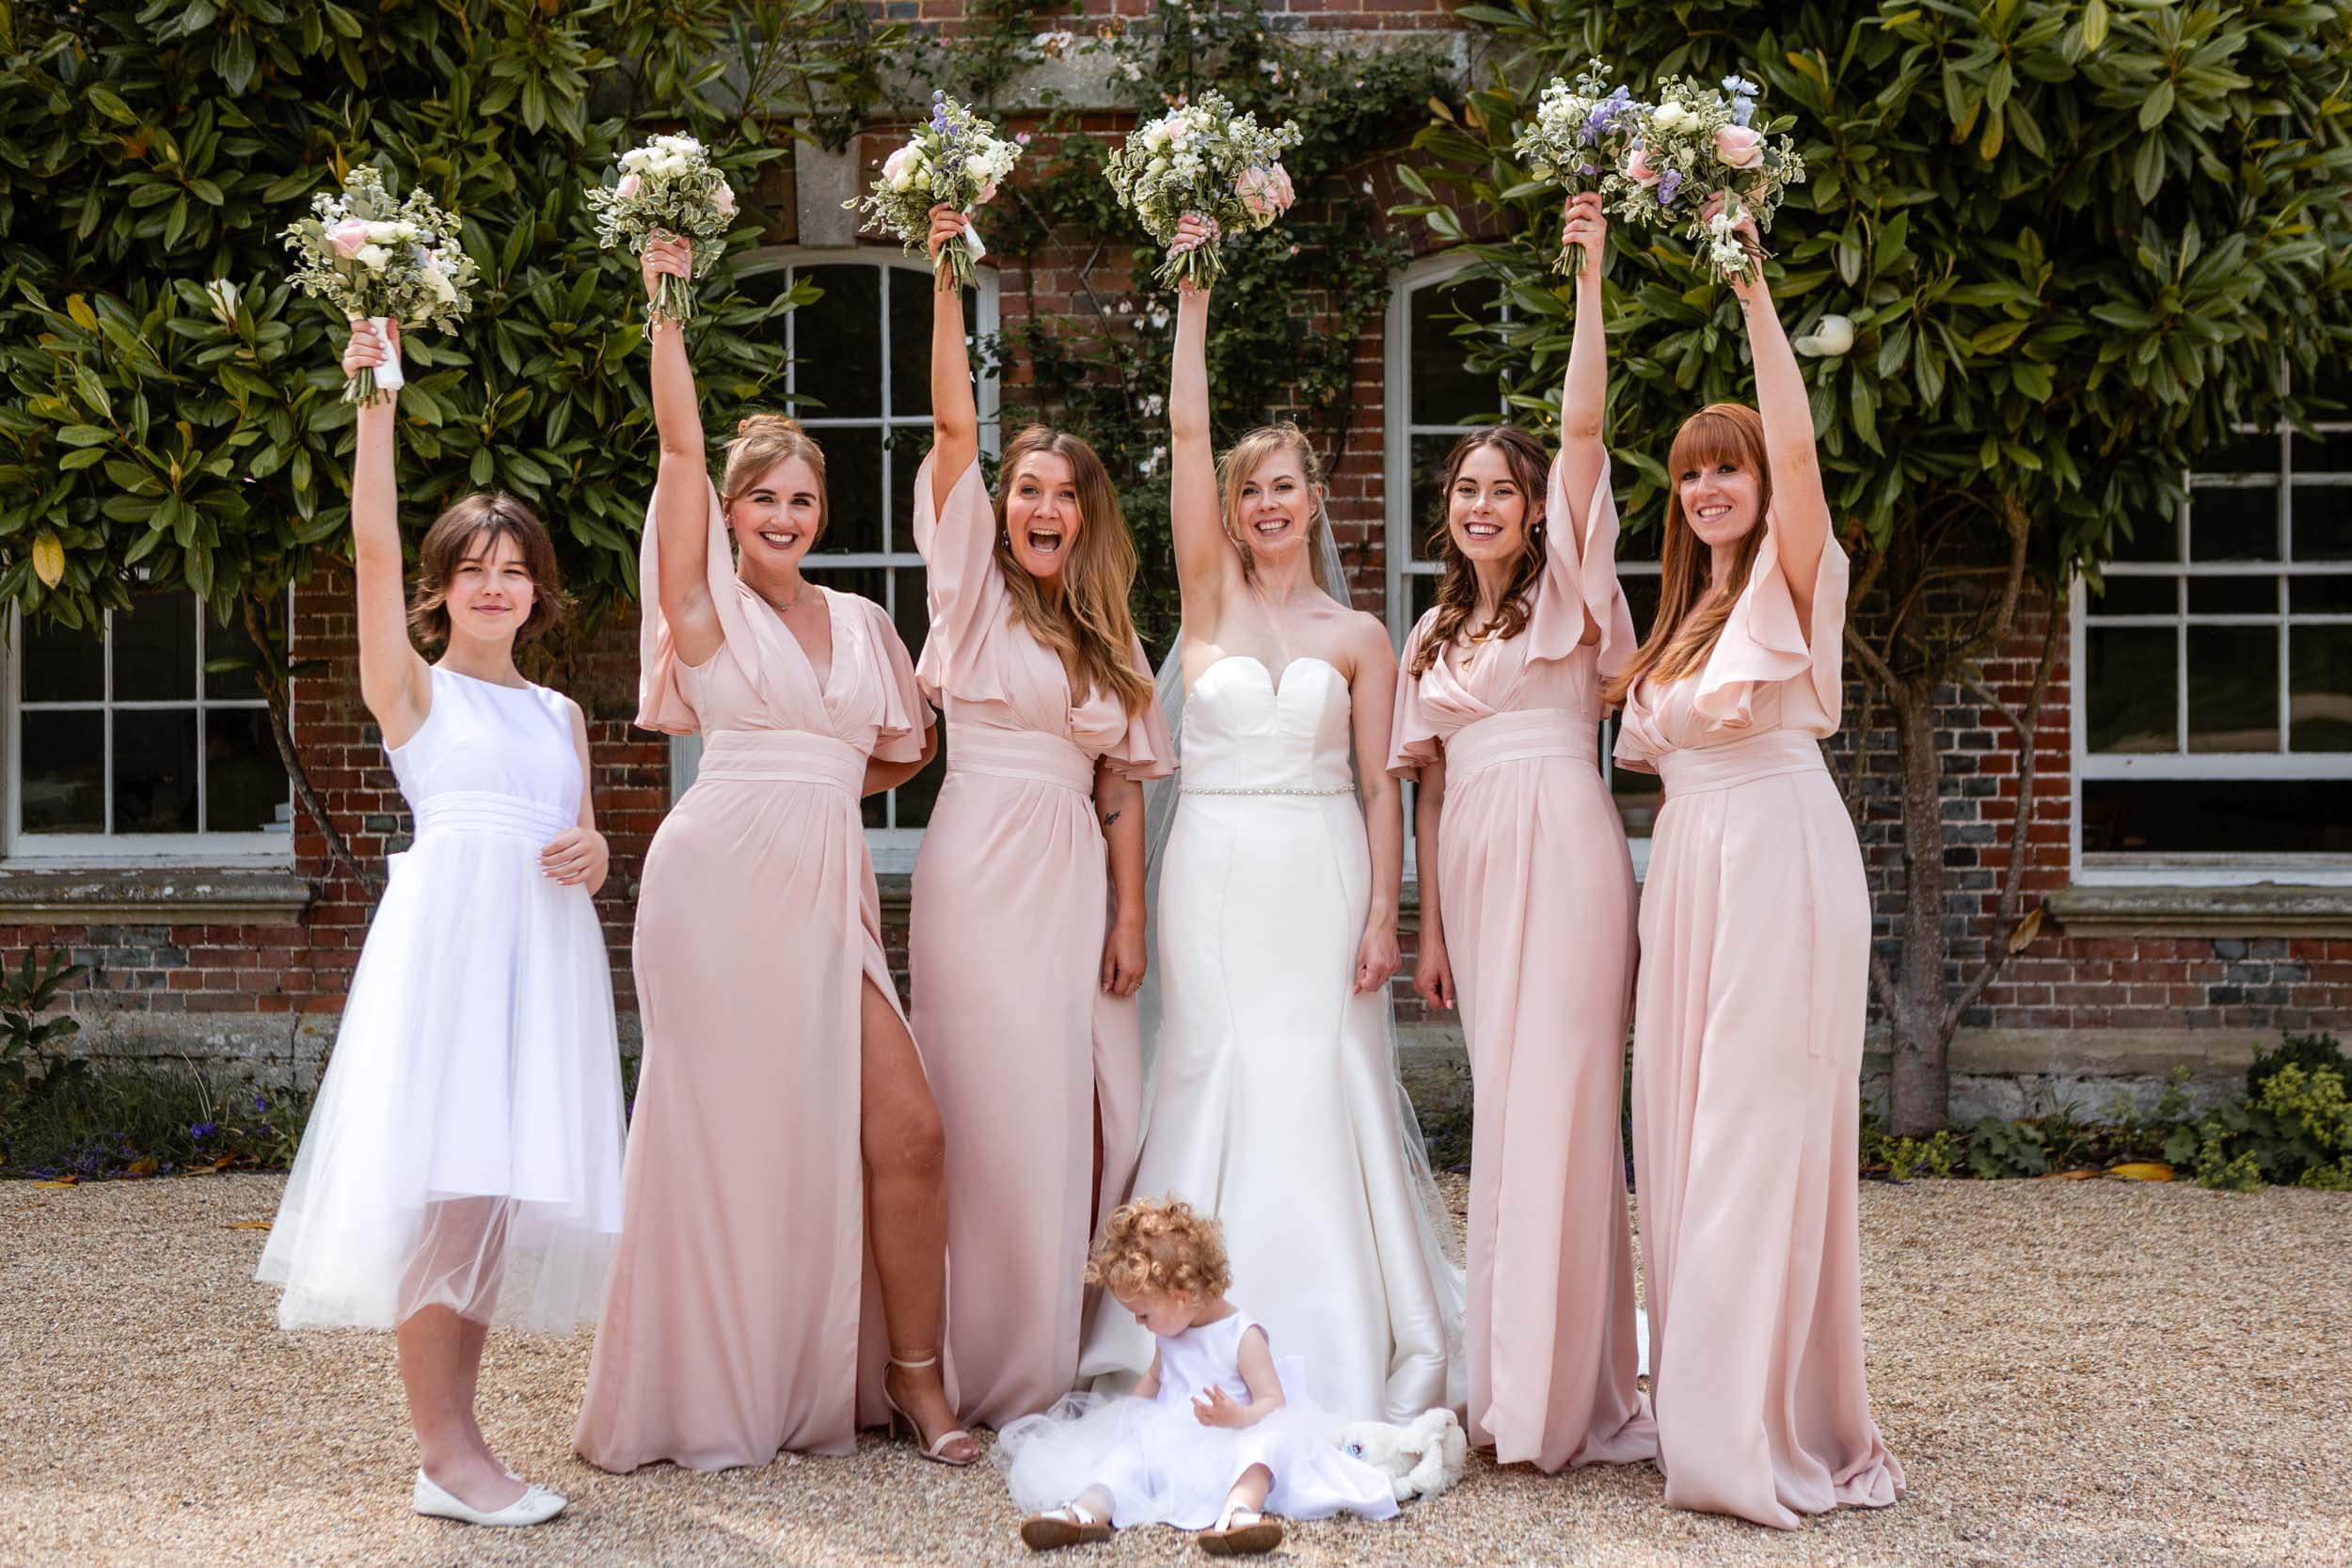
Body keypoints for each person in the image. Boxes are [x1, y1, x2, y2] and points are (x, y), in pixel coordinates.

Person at [574, 235, 977, 1472]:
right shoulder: (705, 611)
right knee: (725, 1132)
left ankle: (911, 1377)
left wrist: (822, 790)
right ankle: (713, 1382)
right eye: (766, 501)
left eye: (803, 499)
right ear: (734, 515)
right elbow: (679, 453)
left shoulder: (861, 623)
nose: (786, 517)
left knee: (907, 1126)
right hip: (714, 890)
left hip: (826, 889)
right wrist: (666, 310)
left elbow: (907, 745)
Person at [1078, 214, 1458, 1422]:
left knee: (1316, 1068)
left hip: (1322, 869)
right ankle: (1162, 1320)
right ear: (1233, 510)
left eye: (1283, 485)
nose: (1265, 504)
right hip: (1213, 867)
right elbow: (1185, 430)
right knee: (1209, 1063)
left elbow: (1381, 785)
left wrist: (1387, 915)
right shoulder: (1203, 603)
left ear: (1313, 499)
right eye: (1249, 492)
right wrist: (1190, 292)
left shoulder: (1361, 639)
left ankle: (1333, 1320)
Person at [256, 319, 625, 1528]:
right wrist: (376, 397)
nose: (494, 583)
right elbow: (365, 550)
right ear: (442, 585)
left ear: (537, 589)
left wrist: (598, 846)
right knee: (448, 1195)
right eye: (473, 565)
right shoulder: (414, 690)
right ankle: (448, 1451)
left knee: (495, 1200)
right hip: (456, 958)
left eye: (513, 567)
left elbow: (572, 837)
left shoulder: (563, 713)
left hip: (539, 958)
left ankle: (454, 1448)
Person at [1603, 198, 1904, 1528]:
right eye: (1690, 473)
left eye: (1727, 467)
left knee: (1751, 1128)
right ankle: (1706, 1401)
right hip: (1694, 863)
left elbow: (1794, 439)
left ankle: (1751, 1428)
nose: (1713, 484)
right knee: (1676, 1125)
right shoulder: (1678, 619)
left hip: (1782, 848)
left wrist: (1753, 289)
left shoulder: (1795, 577)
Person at [1389, 193, 1654, 1473]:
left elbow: (1589, 430)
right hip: (1479, 881)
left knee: (1563, 1103)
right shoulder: (1430, 638)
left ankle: (1567, 1394)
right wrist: (1429, 924)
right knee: (1507, 1109)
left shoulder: (1571, 603)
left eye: (1503, 486)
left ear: (1538, 507)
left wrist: (1589, 275)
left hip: (1569, 847)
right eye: (1467, 489)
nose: (1483, 502)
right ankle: (1509, 1378)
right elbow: (1426, 791)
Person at [909, 206, 1170, 1427]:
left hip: (1073, 880)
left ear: (1088, 512)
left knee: (1091, 1106)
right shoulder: (964, 594)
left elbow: (1119, 785)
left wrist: (1131, 912)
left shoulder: (1112, 628)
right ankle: (970, 1356)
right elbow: (954, 429)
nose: (1043, 507)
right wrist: (950, 269)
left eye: (1064, 493)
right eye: (1028, 489)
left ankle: (1059, 1345)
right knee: (989, 1098)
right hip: (977, 862)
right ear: (1003, 506)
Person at [1001, 1198, 1400, 1556]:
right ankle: (1086, 1511)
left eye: (1143, 1314)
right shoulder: (1171, 1334)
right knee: (1127, 1456)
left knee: (1260, 1454)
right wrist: (1129, 1418)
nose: (1140, 1324)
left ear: (1182, 1296)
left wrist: (1236, 1417)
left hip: (1233, 1434)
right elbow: (1155, 1378)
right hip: (1176, 1436)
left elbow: (1273, 1402)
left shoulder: (1243, 1336)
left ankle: (1239, 1515)